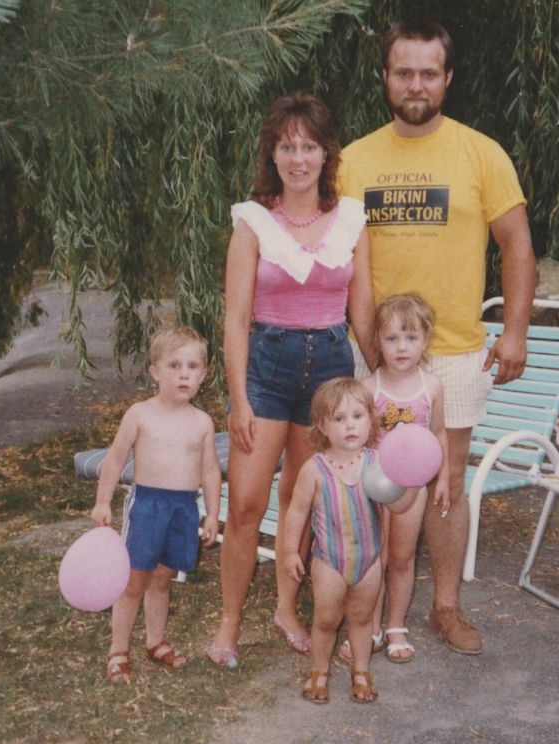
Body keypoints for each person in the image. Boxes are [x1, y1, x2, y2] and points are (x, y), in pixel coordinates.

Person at [338, 19, 537, 656]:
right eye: (404, 72)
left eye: (428, 72)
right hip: (373, 351)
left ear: (447, 78)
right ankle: (360, 607)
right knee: (367, 473)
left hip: (453, 351)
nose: (415, 84)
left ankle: (445, 607)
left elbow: (518, 247)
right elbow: (349, 263)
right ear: (386, 78)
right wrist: (370, 358)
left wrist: (514, 334)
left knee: (447, 478)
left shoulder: (482, 153)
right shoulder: (354, 160)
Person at [210, 93, 376, 667]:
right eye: (287, 146)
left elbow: (363, 313)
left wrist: (384, 384)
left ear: (327, 153)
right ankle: (229, 624)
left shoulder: (351, 219)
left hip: (330, 369)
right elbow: (234, 320)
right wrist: (238, 401)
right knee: (247, 504)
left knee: (301, 499)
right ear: (273, 155)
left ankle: (286, 606)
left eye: (309, 146)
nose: (298, 157)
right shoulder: (253, 222)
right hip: (268, 368)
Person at [91, 326, 221, 683]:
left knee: (162, 579)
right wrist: (103, 502)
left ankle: (155, 641)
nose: (183, 373)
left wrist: (212, 512)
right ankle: (118, 651)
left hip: (183, 508)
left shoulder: (202, 422)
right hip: (147, 505)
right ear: (155, 371)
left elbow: (210, 470)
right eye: (174, 365)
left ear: (204, 374)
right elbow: (115, 459)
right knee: (134, 581)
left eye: (192, 366)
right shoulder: (140, 414)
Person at [281, 377, 414, 704]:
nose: (349, 426)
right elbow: (296, 512)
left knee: (361, 619)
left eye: (357, 416)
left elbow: (397, 505)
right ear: (322, 426)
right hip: (329, 561)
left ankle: (361, 671)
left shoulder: (377, 464)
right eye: (338, 419)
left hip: (368, 562)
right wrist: (287, 551)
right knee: (326, 620)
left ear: (371, 420)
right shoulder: (314, 469)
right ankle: (320, 672)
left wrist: (404, 486)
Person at [338, 294, 449, 665]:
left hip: (413, 488)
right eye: (391, 338)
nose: (402, 347)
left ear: (425, 340)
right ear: (377, 344)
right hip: (373, 485)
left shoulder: (431, 387)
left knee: (401, 558)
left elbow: (439, 435)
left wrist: (444, 478)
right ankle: (368, 625)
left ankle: (396, 625)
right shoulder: (369, 388)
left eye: (411, 337)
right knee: (374, 558)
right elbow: (356, 440)